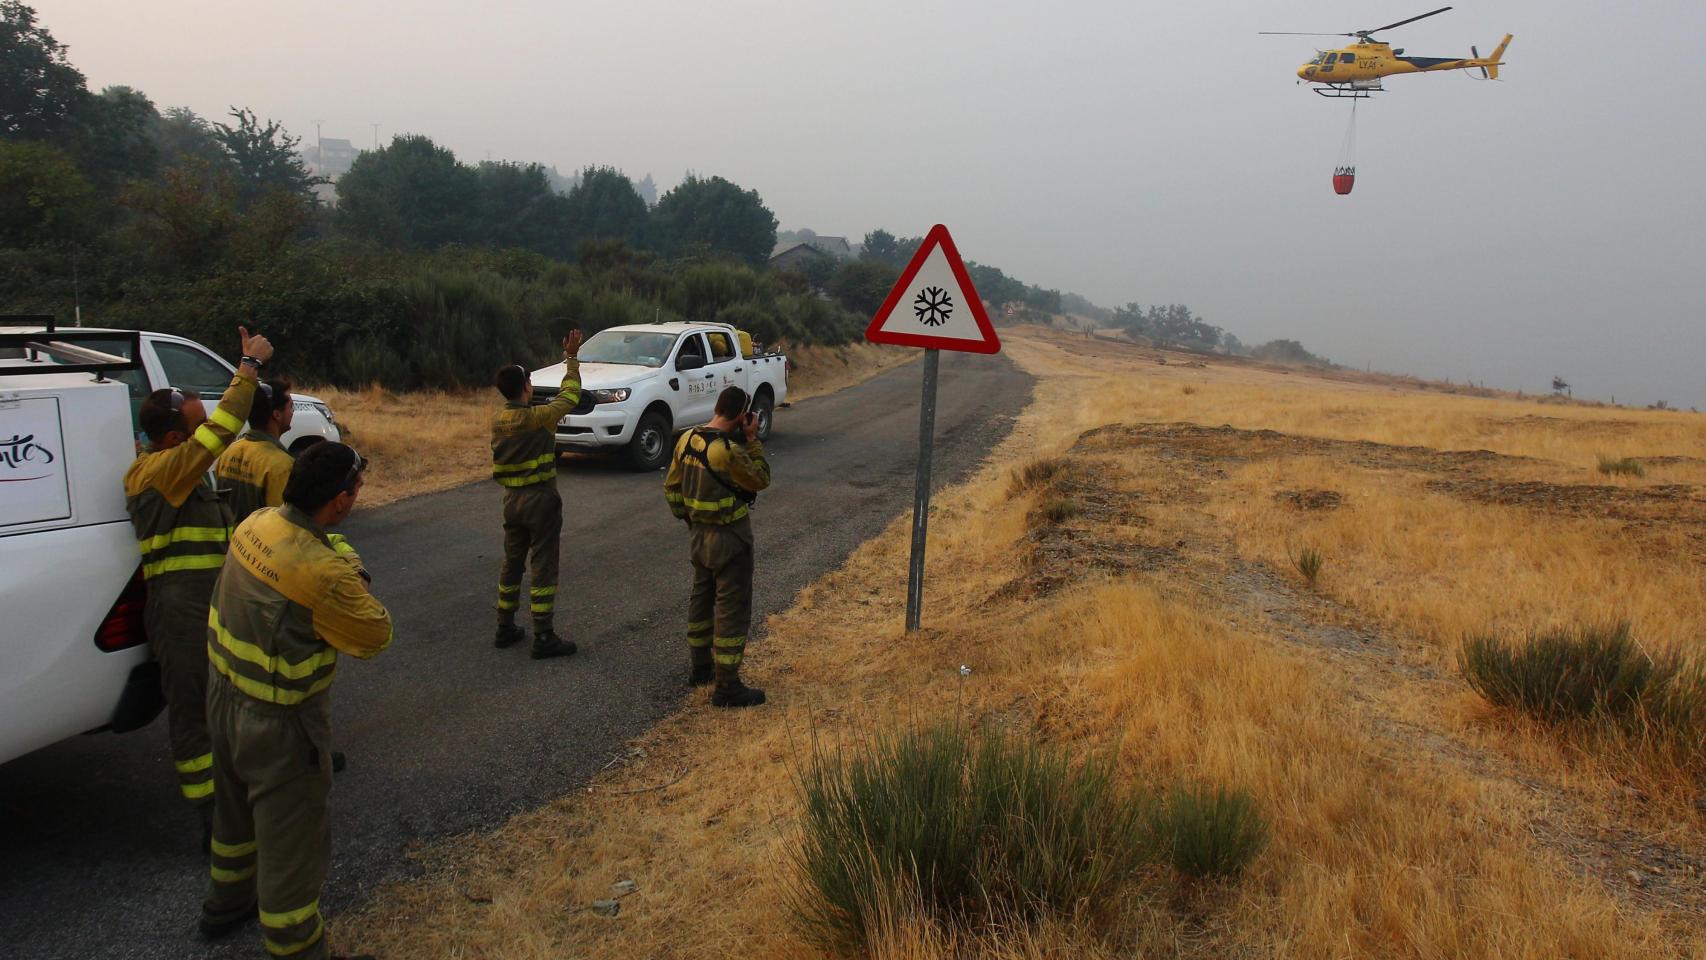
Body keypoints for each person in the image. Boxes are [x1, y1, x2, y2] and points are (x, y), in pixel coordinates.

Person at [199, 442, 391, 960]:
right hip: (280, 725)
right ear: (341, 501)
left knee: (234, 816)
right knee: (291, 841)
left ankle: (226, 903)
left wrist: (332, 549)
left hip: (223, 696)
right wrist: (350, 563)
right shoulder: (324, 574)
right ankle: (296, 946)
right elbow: (374, 634)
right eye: (357, 489)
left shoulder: (256, 524)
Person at [124, 326, 271, 843]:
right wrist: (248, 367)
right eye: (197, 427)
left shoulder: (179, 470)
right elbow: (226, 425)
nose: (207, 432)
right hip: (179, 611)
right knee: (193, 713)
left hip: (208, 602)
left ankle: (235, 793)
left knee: (229, 700)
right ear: (172, 439)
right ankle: (213, 819)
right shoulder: (159, 472)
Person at [663, 385, 771, 707]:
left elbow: (671, 489)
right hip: (730, 539)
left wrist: (690, 520)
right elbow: (760, 479)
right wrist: (752, 440)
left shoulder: (686, 440)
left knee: (701, 598)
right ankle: (727, 686)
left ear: (717, 407)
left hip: (699, 537)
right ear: (742, 415)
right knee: (731, 609)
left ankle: (700, 669)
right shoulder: (728, 451)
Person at [490, 329, 582, 659]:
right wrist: (571, 358)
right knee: (543, 565)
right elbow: (570, 396)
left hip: (511, 501)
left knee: (512, 563)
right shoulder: (538, 419)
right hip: (540, 500)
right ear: (527, 387)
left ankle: (504, 626)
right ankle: (544, 635)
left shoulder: (498, 420)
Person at [215, 378, 294, 523]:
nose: (292, 413)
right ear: (277, 415)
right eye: (291, 407)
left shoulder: (229, 452)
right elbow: (282, 523)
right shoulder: (281, 465)